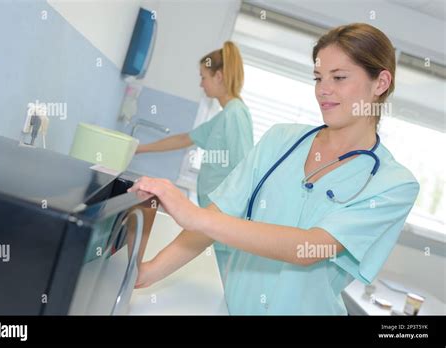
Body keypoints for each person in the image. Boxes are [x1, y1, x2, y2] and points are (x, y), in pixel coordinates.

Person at [129, 23, 420, 315]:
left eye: (339, 77)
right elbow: (219, 215)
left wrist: (195, 217)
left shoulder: (393, 184)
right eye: (318, 78)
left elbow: (309, 248)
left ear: (380, 83)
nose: (324, 90)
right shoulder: (281, 139)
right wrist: (149, 272)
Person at [135, 41, 253, 281]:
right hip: (215, 215)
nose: (201, 84)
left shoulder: (235, 115)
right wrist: (140, 149)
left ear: (218, 76)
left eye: (203, 77)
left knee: (223, 282)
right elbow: (183, 139)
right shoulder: (225, 115)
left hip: (225, 217)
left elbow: (244, 169)